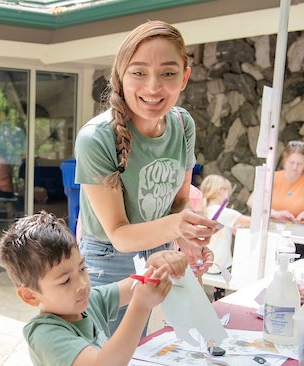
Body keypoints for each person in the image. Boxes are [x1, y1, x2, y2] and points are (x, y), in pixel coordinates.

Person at [74, 20, 221, 334]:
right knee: (110, 363)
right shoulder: (96, 138)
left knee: (150, 354)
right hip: (108, 262)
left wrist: (189, 231)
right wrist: (176, 226)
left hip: (160, 251)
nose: (153, 87)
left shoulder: (182, 125)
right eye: (139, 72)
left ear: (185, 77)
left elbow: (180, 200)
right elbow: (120, 235)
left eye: (168, 73)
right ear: (121, 76)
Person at [0, 211, 188, 366]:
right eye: (65, 281)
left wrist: (154, 265)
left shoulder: (89, 303)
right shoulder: (43, 333)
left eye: (82, 269)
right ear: (30, 295)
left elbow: (133, 285)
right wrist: (141, 305)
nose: (82, 284)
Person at [199, 175, 251, 300]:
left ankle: (215, 303)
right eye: (228, 192)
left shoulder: (202, 210)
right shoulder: (224, 212)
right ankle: (223, 303)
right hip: (220, 267)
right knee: (241, 282)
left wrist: (231, 229)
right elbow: (252, 221)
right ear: (221, 190)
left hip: (204, 264)